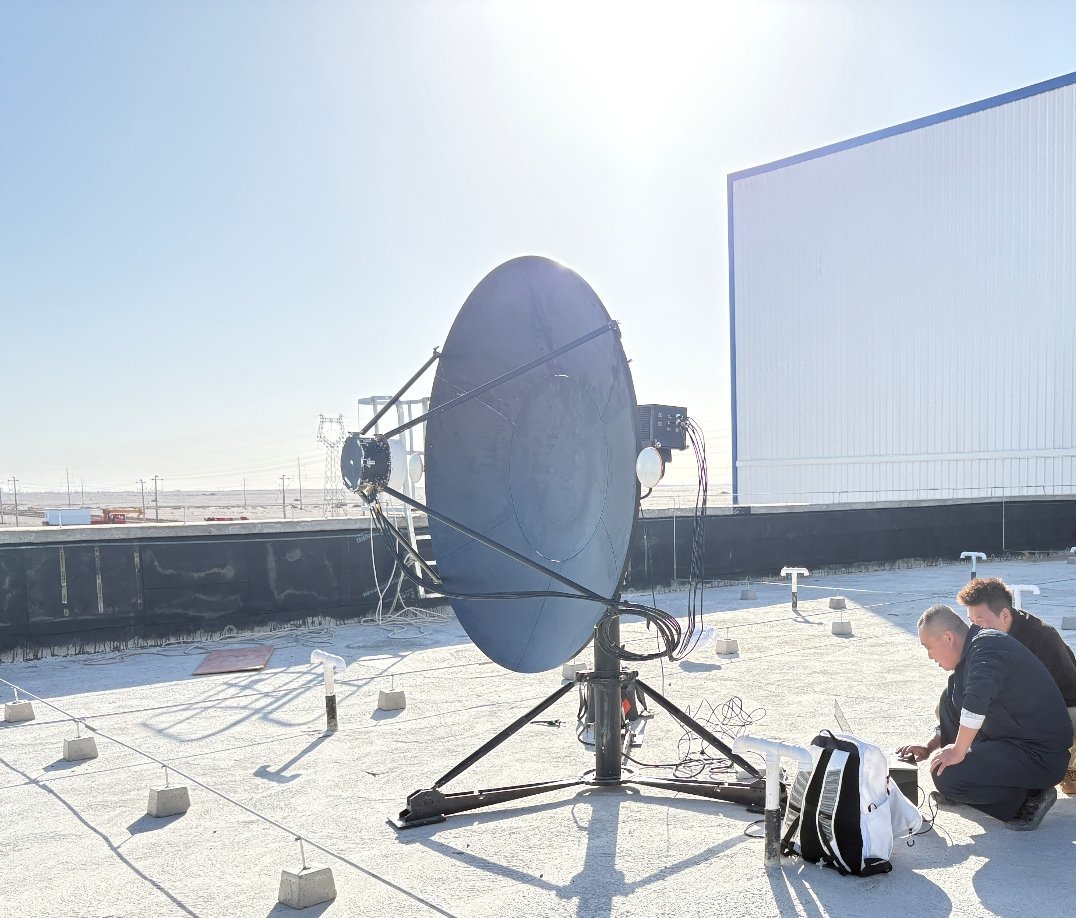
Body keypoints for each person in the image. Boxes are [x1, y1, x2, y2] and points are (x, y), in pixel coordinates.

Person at [896, 604, 1072, 830]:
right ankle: (973, 784)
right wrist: (930, 746)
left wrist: (958, 751)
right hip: (1014, 742)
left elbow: (976, 701)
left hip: (1039, 756)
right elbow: (956, 709)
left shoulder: (987, 646)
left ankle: (1028, 800)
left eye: (928, 647)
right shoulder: (970, 655)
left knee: (947, 777)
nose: (929, 656)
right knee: (949, 698)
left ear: (948, 637)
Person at [957, 576, 1076, 795]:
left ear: (1004, 615)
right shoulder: (980, 640)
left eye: (980, 619)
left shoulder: (1041, 637)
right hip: (1018, 707)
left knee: (1070, 786)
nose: (975, 626)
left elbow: (1070, 689)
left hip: (1063, 707)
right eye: (971, 620)